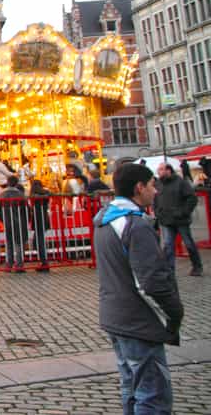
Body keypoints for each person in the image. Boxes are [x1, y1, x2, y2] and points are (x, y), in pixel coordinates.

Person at [95, 163, 183, 414]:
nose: (155, 191)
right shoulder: (136, 226)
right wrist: (174, 312)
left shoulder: (103, 222)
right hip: (138, 320)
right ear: (139, 187)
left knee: (131, 385)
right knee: (153, 394)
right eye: (152, 185)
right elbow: (150, 282)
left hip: (115, 314)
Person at [154, 163, 203, 277]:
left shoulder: (181, 183)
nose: (158, 172)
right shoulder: (158, 184)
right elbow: (155, 199)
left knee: (189, 244)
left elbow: (192, 198)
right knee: (168, 245)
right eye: (158, 169)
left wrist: (183, 212)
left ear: (168, 170)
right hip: (166, 220)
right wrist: (157, 212)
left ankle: (197, 266)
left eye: (161, 169)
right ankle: (169, 270)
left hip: (180, 220)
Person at [0, 175, 29, 273]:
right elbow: (26, 209)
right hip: (19, 221)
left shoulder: (2, 195)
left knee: (9, 243)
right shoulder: (20, 195)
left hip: (7, 221)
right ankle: (19, 265)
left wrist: (3, 219)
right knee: (19, 243)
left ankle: (9, 264)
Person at [28, 179, 51, 271]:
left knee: (38, 241)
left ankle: (44, 262)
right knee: (38, 240)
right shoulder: (46, 194)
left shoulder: (35, 196)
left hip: (38, 219)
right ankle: (43, 261)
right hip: (43, 218)